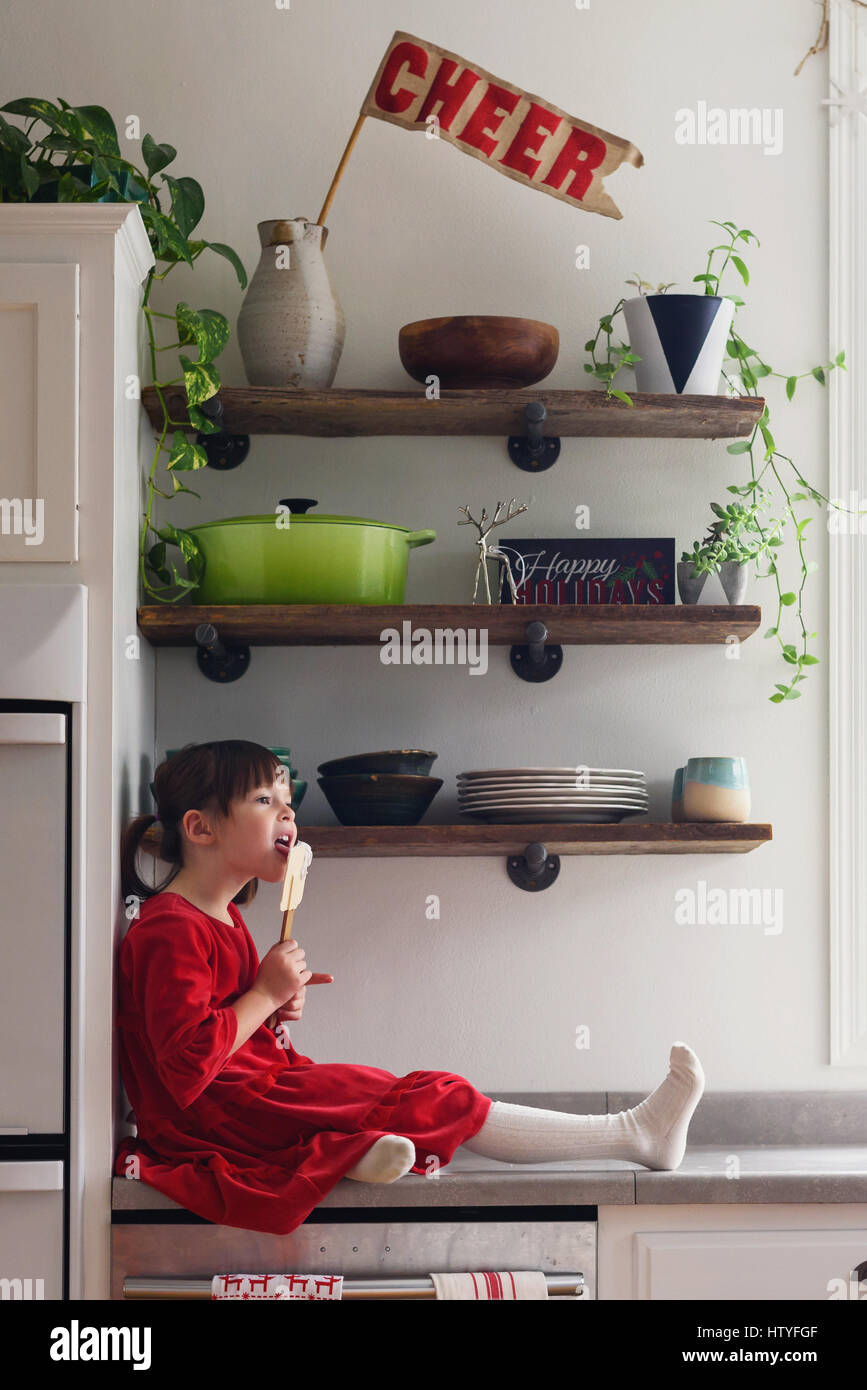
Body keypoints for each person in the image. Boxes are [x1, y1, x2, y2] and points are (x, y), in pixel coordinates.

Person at [116, 740, 706, 1236]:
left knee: (396, 1096)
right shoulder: (171, 927)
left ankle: (358, 1150)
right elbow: (189, 1066)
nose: (288, 818)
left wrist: (273, 1009)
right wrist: (264, 997)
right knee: (435, 1097)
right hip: (221, 1120)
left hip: (252, 1099)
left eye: (288, 803)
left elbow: (222, 1034)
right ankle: (634, 1134)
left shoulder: (221, 916)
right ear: (200, 827)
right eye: (265, 801)